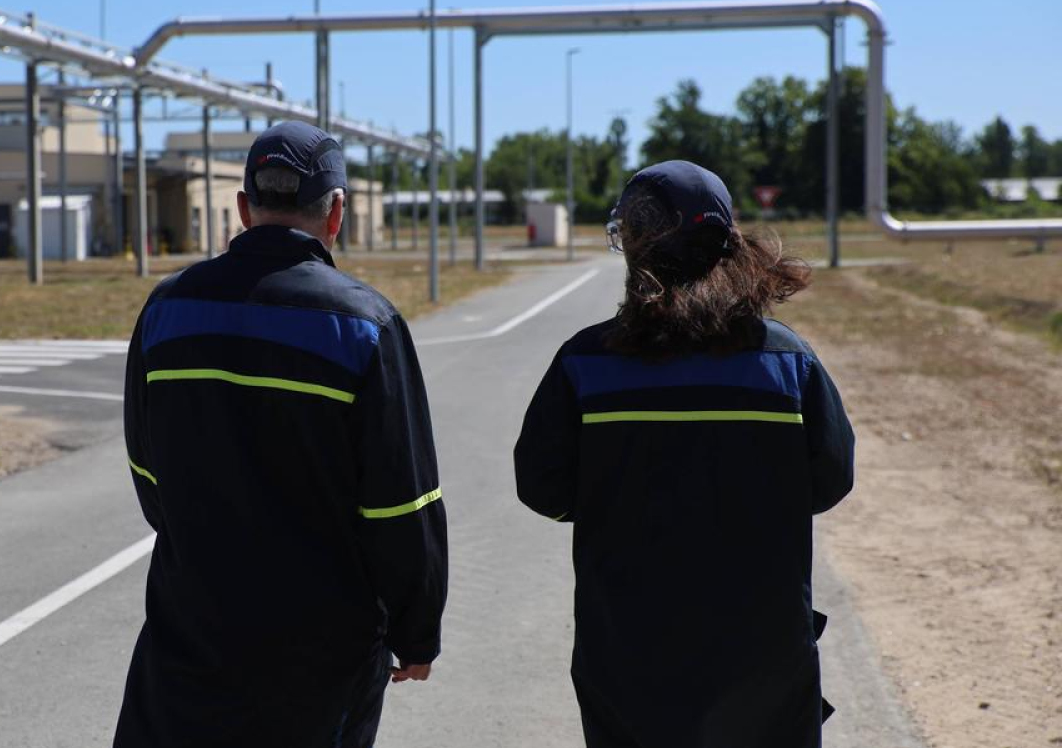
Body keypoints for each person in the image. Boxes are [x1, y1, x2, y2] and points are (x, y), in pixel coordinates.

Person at [115, 121, 448, 748]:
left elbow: (148, 470)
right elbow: (401, 501)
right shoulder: (364, 325)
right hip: (321, 647)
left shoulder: (166, 309)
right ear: (337, 211)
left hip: (190, 631)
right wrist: (417, 628)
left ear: (245, 208)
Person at [513, 160, 855, 748]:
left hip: (627, 646)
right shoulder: (786, 362)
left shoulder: (585, 362)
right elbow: (830, 480)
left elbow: (543, 487)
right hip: (763, 646)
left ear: (634, 246)